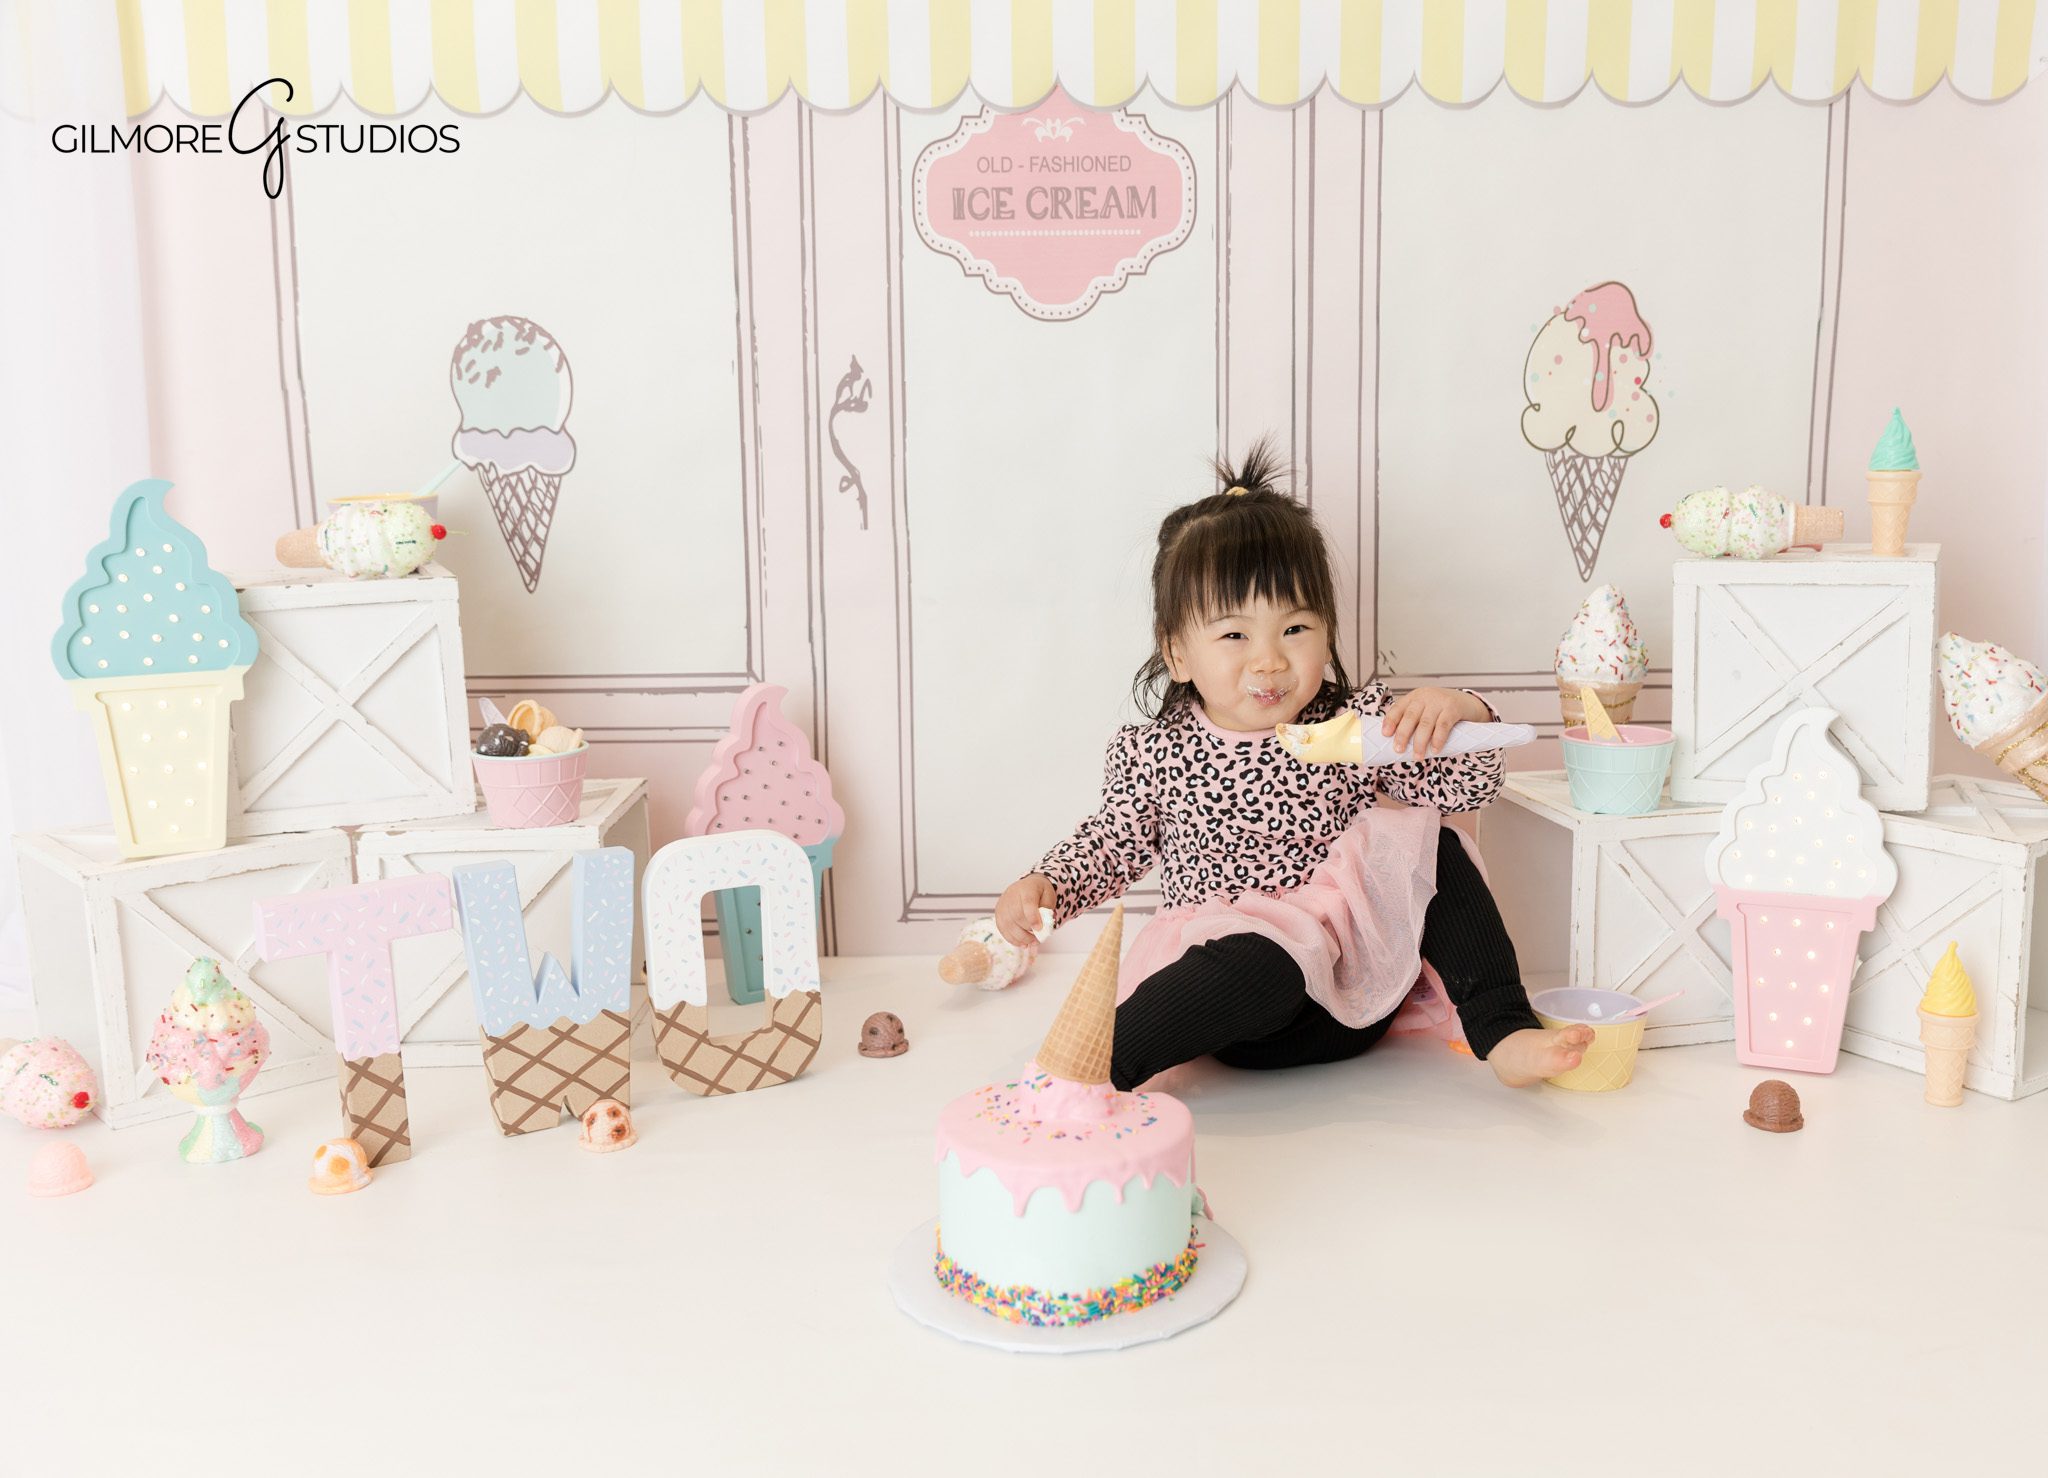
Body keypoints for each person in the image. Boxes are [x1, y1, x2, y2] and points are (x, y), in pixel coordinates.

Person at [995, 440, 1593, 1090]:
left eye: (1295, 630)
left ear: (1327, 631)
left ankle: (1503, 1029)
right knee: (1261, 958)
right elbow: (1112, 844)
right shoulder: (1158, 752)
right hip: (1247, 993)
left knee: (1435, 842)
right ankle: (1089, 1069)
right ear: (1177, 655)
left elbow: (1465, 784)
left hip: (1355, 983)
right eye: (1234, 636)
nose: (1269, 661)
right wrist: (1048, 886)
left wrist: (1458, 714)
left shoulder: (1351, 725)